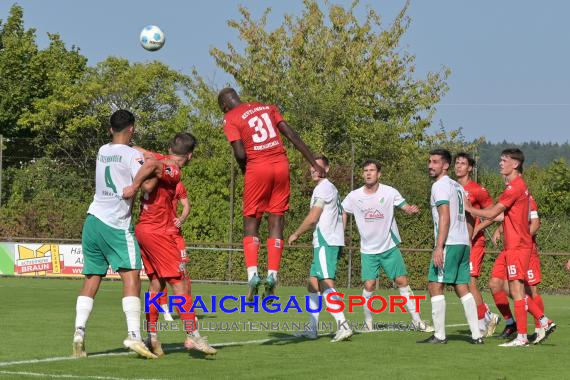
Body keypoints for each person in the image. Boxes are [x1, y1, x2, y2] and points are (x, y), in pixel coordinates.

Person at [217, 88, 325, 302]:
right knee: (276, 219)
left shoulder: (230, 117)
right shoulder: (266, 107)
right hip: (281, 166)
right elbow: (292, 135)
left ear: (224, 107)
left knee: (251, 220)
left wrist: (245, 169)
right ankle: (273, 274)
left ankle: (253, 274)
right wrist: (314, 163)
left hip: (258, 168)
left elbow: (240, 152)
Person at [72, 109, 157, 359]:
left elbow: (124, 150)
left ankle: (78, 331)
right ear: (132, 128)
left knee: (91, 279)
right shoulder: (132, 155)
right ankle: (133, 335)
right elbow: (150, 179)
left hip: (93, 221)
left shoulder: (102, 151)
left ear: (111, 129)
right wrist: (140, 180)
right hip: (116, 225)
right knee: (131, 275)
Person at [126, 133, 217, 357]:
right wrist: (137, 185)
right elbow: (155, 165)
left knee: (156, 284)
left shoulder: (159, 157)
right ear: (190, 155)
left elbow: (145, 153)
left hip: (143, 230)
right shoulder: (173, 170)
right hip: (158, 231)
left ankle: (152, 337)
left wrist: (127, 146)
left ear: (170, 147)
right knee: (179, 282)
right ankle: (193, 335)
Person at [465, 148, 555, 347]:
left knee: (519, 289)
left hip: (518, 247)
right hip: (511, 247)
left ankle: (529, 330)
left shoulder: (516, 187)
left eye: (504, 160)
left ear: (515, 164)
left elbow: (495, 211)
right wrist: (497, 228)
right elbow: (505, 215)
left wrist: (469, 208)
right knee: (498, 284)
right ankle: (532, 324)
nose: (500, 163)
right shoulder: (515, 188)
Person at [342, 160, 433, 332]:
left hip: (389, 246)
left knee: (402, 281)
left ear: (379, 174)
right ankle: (368, 323)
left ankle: (417, 320)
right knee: (369, 285)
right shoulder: (354, 196)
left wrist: (409, 209)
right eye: (365, 171)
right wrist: (340, 232)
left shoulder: (390, 192)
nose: (368, 173)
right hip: (368, 250)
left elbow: (404, 206)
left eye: (372, 170)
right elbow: (344, 211)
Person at [418, 149, 483, 345]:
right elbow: (470, 215)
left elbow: (444, 216)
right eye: (429, 161)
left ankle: (439, 335)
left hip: (450, 243)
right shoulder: (458, 186)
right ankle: (477, 335)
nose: (431, 165)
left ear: (445, 165)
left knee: (435, 285)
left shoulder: (440, 186)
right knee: (462, 287)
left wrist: (439, 247)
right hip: (462, 242)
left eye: (435, 162)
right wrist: (468, 239)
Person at [288, 156, 353, 342]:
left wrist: (296, 233)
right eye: (311, 166)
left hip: (326, 241)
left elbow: (313, 217)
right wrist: (340, 239)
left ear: (327, 168)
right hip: (328, 241)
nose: (313, 169)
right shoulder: (329, 187)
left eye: (317, 166)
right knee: (312, 283)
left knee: (325, 282)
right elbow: (341, 216)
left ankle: (343, 325)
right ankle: (312, 329)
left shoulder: (323, 188)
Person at [491, 194, 550, 343]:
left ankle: (540, 328)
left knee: (530, 289)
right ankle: (512, 324)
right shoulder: (511, 197)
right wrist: (499, 230)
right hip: (510, 250)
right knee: (496, 284)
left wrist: (522, 239)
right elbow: (509, 219)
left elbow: (536, 223)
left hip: (526, 250)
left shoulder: (528, 199)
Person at [453, 152, 500, 337]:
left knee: (470, 281)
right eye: (457, 163)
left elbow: (493, 213)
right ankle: (486, 315)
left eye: (463, 163)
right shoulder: (452, 187)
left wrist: (477, 229)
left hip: (474, 242)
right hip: (457, 241)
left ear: (470, 168)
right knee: (458, 283)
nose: (459, 166)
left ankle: (482, 321)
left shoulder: (478, 189)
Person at [158, 181, 191, 322]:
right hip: (159, 233)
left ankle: (186, 310)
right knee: (159, 274)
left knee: (183, 271)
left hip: (176, 234)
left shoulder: (179, 185)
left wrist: (182, 219)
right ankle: (165, 309)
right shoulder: (155, 183)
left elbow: (186, 205)